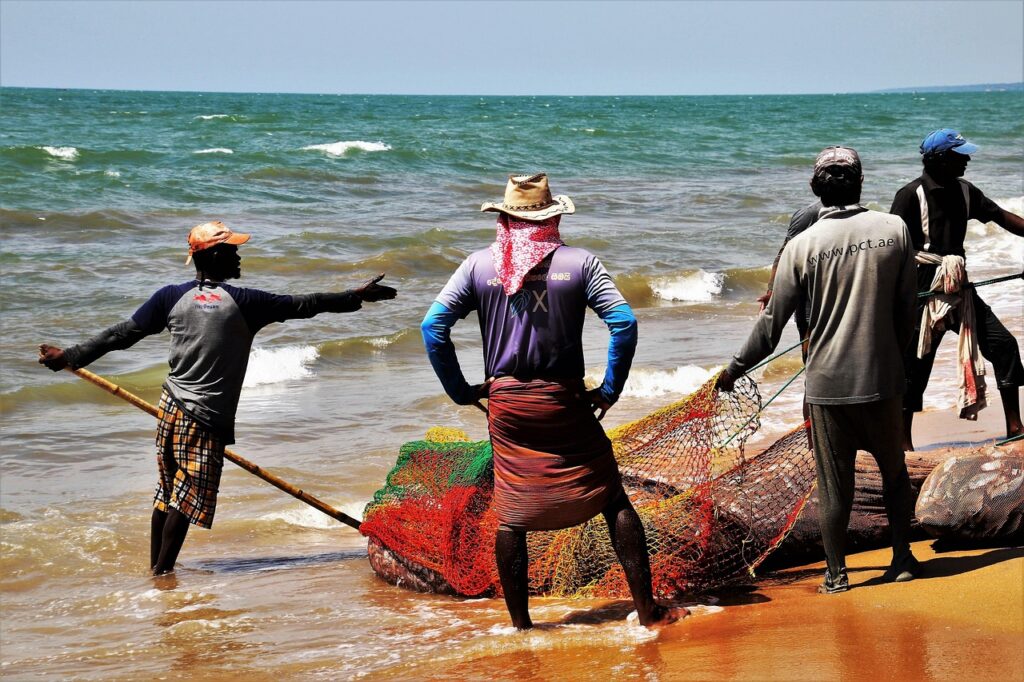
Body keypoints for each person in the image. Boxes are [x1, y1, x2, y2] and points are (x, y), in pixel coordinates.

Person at [38, 221, 397, 575]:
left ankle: (156, 572)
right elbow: (306, 304)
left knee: (167, 492)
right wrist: (356, 297)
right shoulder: (245, 302)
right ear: (212, 257)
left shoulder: (169, 297)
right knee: (188, 494)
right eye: (232, 251)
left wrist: (70, 356)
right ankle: (163, 575)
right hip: (206, 417)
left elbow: (122, 334)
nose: (239, 257)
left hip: (170, 408)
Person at [421, 173, 680, 629]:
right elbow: (624, 323)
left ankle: (521, 627)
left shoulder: (478, 266)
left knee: (512, 512)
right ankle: (647, 611)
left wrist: (462, 392)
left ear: (502, 219)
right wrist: (609, 390)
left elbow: (432, 328)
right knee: (612, 498)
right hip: (564, 399)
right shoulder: (579, 264)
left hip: (507, 404)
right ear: (553, 217)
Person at [717, 147, 920, 594]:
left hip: (828, 385)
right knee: (894, 473)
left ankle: (836, 574)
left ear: (815, 188)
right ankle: (903, 558)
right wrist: (891, 355)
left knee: (834, 486)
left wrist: (734, 368)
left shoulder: (801, 246)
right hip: (884, 379)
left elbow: (770, 327)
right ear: (861, 183)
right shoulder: (894, 230)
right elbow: (909, 309)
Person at [890, 128, 1024, 450]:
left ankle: (1015, 426)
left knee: (1003, 345)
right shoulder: (910, 196)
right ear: (938, 159)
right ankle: (903, 443)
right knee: (914, 365)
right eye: (959, 156)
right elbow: (890, 248)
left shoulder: (965, 191)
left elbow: (1002, 218)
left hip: (960, 288)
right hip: (923, 290)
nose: (966, 162)